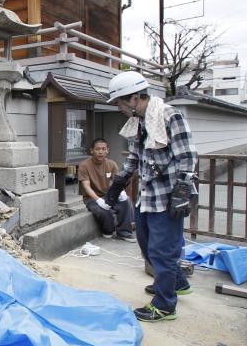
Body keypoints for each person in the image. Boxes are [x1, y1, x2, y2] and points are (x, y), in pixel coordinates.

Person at [103, 72, 196, 322]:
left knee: (163, 251)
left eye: (120, 103)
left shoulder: (169, 115)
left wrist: (182, 191)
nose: (119, 108)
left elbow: (186, 156)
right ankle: (177, 282)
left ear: (134, 98)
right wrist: (118, 183)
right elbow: (134, 158)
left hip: (169, 197)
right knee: (146, 244)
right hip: (148, 196)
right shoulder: (140, 123)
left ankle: (165, 305)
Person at [78, 138, 136, 242]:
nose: (101, 152)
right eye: (97, 149)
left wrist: (119, 192)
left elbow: (114, 184)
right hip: (92, 198)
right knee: (105, 212)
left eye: (103, 149)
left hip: (108, 195)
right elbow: (86, 186)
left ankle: (124, 232)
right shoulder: (84, 165)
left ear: (107, 150)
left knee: (126, 202)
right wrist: (98, 200)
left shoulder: (112, 164)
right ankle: (108, 230)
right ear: (92, 150)